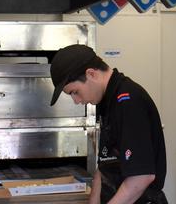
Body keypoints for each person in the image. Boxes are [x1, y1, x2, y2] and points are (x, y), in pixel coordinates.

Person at [50, 44, 167, 204]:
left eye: (75, 92)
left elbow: (141, 177)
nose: (77, 101)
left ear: (91, 74)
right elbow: (105, 164)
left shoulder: (128, 101)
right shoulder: (107, 101)